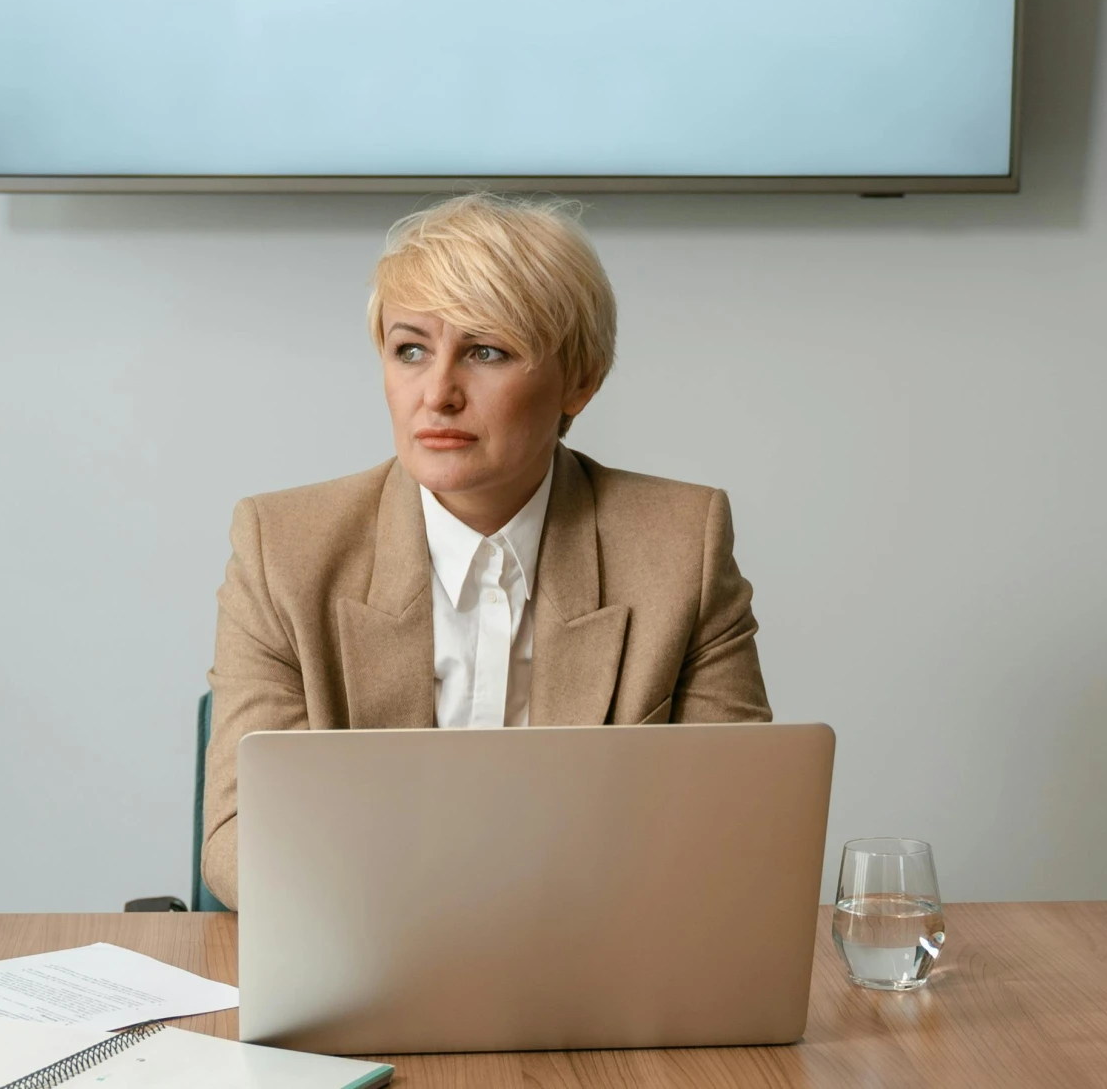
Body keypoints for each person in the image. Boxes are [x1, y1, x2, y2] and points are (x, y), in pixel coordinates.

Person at [200, 192, 771, 909]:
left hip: (593, 981)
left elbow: (733, 827)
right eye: (411, 348)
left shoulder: (682, 543)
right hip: (367, 968)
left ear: (581, 379)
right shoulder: (281, 547)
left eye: (487, 351)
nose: (437, 392)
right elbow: (239, 840)